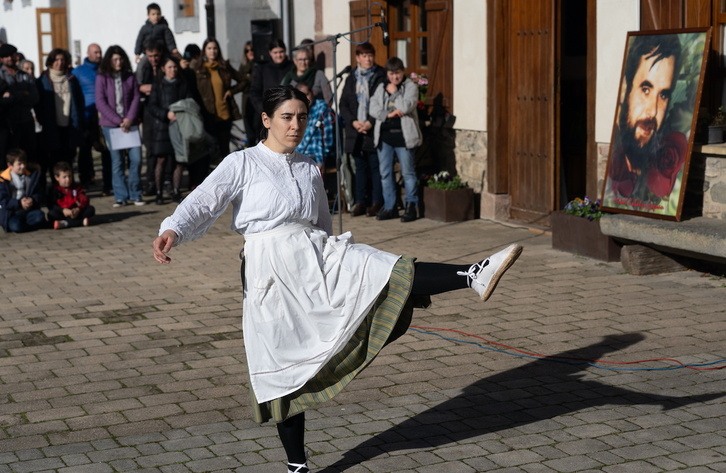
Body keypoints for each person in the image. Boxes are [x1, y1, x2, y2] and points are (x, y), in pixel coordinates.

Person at [152, 86, 523, 473]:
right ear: (266, 120)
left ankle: (472, 274)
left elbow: (323, 225)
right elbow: (203, 201)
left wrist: (336, 259)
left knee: (383, 268)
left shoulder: (310, 166)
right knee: (282, 363)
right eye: (286, 117)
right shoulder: (242, 163)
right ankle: (297, 466)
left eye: (301, 117)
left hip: (317, 258)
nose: (295, 125)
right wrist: (173, 229)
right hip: (270, 273)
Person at [604, 34, 685, 208]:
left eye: (663, 95)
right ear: (625, 88)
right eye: (646, 89)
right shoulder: (615, 150)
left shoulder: (666, 161)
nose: (653, 111)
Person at [370, 57, 422, 223]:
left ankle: (411, 206)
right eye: (391, 74)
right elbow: (373, 108)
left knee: (408, 173)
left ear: (403, 71)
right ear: (387, 74)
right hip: (385, 138)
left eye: (398, 73)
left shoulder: (411, 86)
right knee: (386, 174)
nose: (395, 77)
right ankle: (390, 206)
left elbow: (407, 106)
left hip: (404, 138)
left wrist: (395, 93)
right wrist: (389, 114)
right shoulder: (381, 87)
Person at [95, 45, 145, 207]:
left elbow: (136, 98)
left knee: (136, 159)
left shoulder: (130, 77)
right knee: (117, 162)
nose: (118, 62)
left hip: (130, 125)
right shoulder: (102, 77)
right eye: (115, 59)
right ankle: (120, 196)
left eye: (120, 58)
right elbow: (100, 102)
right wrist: (118, 121)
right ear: (109, 60)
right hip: (111, 126)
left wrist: (129, 119)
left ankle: (136, 193)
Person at [339, 42, 385, 218]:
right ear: (357, 58)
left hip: (373, 129)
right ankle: (360, 202)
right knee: (359, 167)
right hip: (356, 130)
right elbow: (344, 104)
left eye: (370, 55)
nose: (368, 59)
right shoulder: (351, 77)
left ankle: (376, 202)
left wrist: (370, 122)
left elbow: (383, 103)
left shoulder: (380, 75)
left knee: (375, 167)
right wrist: (353, 122)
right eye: (364, 56)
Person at [35, 48, 86, 183]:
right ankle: (56, 190)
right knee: (54, 159)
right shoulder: (43, 80)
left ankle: (69, 189)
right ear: (51, 61)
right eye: (56, 60)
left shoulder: (71, 79)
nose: (59, 63)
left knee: (68, 158)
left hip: (70, 126)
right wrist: (43, 120)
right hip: (52, 126)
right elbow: (38, 104)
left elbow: (79, 101)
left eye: (62, 60)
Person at [147, 56, 193, 204]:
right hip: (162, 127)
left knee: (178, 160)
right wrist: (165, 114)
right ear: (163, 69)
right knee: (161, 160)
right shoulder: (158, 85)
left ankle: (176, 190)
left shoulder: (183, 84)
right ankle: (159, 192)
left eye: (175, 67)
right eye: (169, 67)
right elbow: (152, 106)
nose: (173, 70)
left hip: (179, 126)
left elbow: (189, 101)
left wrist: (181, 113)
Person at [194, 38, 245, 165]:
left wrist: (231, 91)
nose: (212, 51)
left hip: (224, 113)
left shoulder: (224, 66)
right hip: (208, 114)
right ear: (204, 51)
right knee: (211, 150)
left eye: (215, 48)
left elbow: (244, 81)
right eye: (209, 48)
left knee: (224, 151)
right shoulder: (198, 68)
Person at [73, 43, 112, 193]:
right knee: (85, 150)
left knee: (106, 150)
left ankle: (108, 183)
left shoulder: (105, 70)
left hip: (104, 117)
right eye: (95, 52)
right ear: (88, 53)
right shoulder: (78, 71)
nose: (99, 55)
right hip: (87, 117)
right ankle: (86, 179)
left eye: (100, 52)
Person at [0, 43, 39, 169]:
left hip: (26, 120)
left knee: (29, 154)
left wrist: (12, 95)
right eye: (5, 56)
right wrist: (22, 93)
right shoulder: (0, 75)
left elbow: (34, 98)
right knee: (8, 157)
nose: (9, 58)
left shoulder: (25, 76)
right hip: (7, 123)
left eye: (11, 55)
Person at [137, 41, 166, 197]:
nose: (153, 59)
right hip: (147, 112)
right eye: (150, 56)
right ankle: (150, 182)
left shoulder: (165, 65)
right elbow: (137, 86)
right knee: (149, 149)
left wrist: (152, 89)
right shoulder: (144, 67)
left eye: (156, 56)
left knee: (164, 149)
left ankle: (164, 182)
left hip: (162, 111)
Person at [0, 148, 45, 233]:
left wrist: (32, 199)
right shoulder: (3, 180)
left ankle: (25, 225)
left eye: (24, 163)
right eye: (19, 164)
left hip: (28, 210)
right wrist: (19, 203)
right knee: (16, 226)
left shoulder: (30, 177)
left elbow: (38, 193)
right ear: (10, 165)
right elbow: (3, 201)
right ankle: (25, 226)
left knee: (40, 215)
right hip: (12, 213)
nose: (23, 166)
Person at [294, 83, 334, 175]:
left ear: (312, 93)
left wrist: (320, 161)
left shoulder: (323, 109)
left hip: (315, 157)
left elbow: (326, 139)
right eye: (301, 96)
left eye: (307, 94)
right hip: (297, 155)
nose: (305, 99)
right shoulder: (296, 110)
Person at [249, 39, 292, 120]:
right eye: (275, 52)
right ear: (270, 53)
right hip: (269, 114)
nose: (278, 55)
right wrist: (263, 109)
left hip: (289, 112)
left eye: (281, 52)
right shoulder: (262, 69)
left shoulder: (292, 67)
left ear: (285, 51)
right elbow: (254, 92)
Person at [47, 161, 95, 229]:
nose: (68, 179)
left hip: (75, 212)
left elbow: (84, 199)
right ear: (57, 178)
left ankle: (65, 223)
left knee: (90, 209)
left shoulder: (76, 187)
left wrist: (78, 209)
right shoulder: (54, 189)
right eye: (64, 177)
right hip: (63, 213)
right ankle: (80, 222)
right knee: (51, 214)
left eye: (69, 176)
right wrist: (63, 210)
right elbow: (51, 205)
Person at [238, 40, 257, 146]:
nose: (250, 52)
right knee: (250, 136)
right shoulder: (243, 66)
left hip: (258, 105)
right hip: (246, 103)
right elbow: (241, 83)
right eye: (247, 50)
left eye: (252, 50)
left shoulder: (259, 66)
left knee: (259, 134)